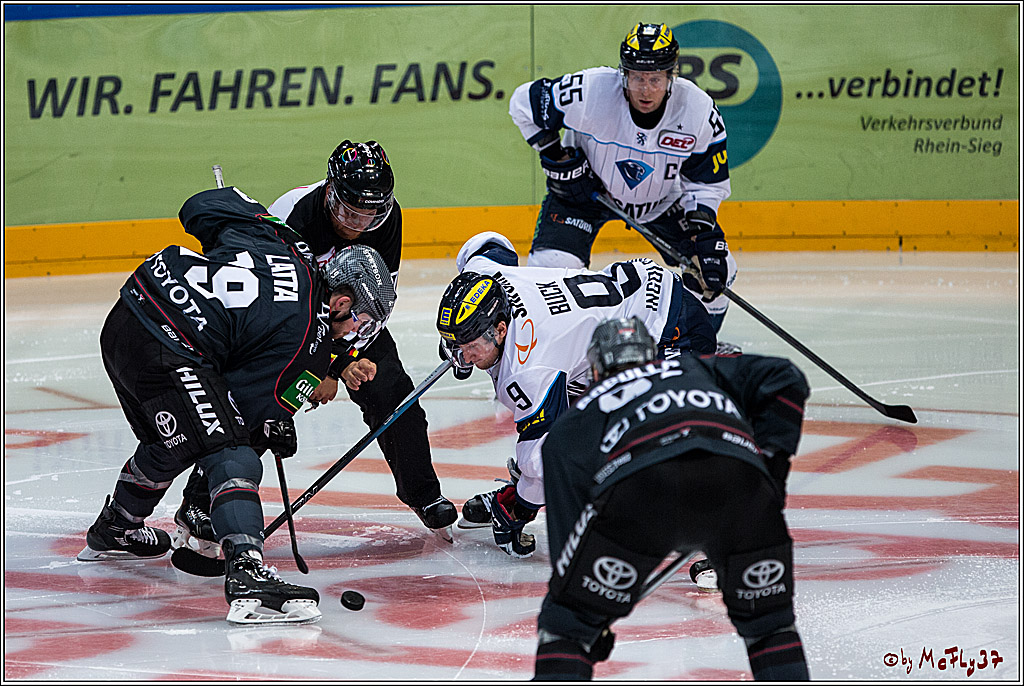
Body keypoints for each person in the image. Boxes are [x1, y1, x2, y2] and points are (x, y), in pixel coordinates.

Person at [77, 185, 393, 624]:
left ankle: (117, 526)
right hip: (169, 347)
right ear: (341, 302)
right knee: (233, 451)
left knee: (176, 439)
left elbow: (200, 207)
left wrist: (257, 226)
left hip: (128, 315)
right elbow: (248, 415)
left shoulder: (283, 242)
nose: (356, 332)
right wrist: (274, 425)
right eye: (362, 319)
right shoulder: (309, 340)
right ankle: (247, 571)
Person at [533, 317, 811, 680]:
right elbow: (786, 377)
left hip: (642, 490)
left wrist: (581, 608)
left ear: (596, 369)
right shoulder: (693, 366)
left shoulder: (582, 412)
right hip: (739, 482)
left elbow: (569, 528)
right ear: (653, 356)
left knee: (566, 623)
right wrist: (771, 471)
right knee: (769, 623)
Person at [435, 231, 716, 559]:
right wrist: (459, 345)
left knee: (649, 442)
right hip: (633, 301)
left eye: (470, 346)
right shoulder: (487, 280)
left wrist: (518, 509)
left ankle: (720, 525)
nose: (464, 355)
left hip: (669, 331)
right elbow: (488, 246)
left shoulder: (527, 370)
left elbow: (543, 462)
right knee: (577, 416)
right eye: (456, 344)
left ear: (500, 330)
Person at [266, 139, 458, 539]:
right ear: (330, 192)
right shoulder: (293, 218)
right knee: (259, 410)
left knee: (396, 397)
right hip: (284, 327)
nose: (358, 223)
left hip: (346, 318)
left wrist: (349, 353)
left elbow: (377, 300)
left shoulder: (388, 218)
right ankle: (201, 503)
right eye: (349, 212)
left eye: (370, 214)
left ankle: (423, 495)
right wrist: (329, 366)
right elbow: (281, 312)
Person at [508, 22, 740, 352]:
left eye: (655, 79)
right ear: (624, 74)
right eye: (637, 78)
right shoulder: (590, 91)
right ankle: (554, 357)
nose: (646, 90)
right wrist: (556, 155)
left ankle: (696, 351)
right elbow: (522, 103)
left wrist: (702, 235)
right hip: (583, 196)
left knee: (716, 271)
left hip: (661, 201)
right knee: (548, 275)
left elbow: (706, 184)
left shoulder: (698, 111)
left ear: (671, 76)